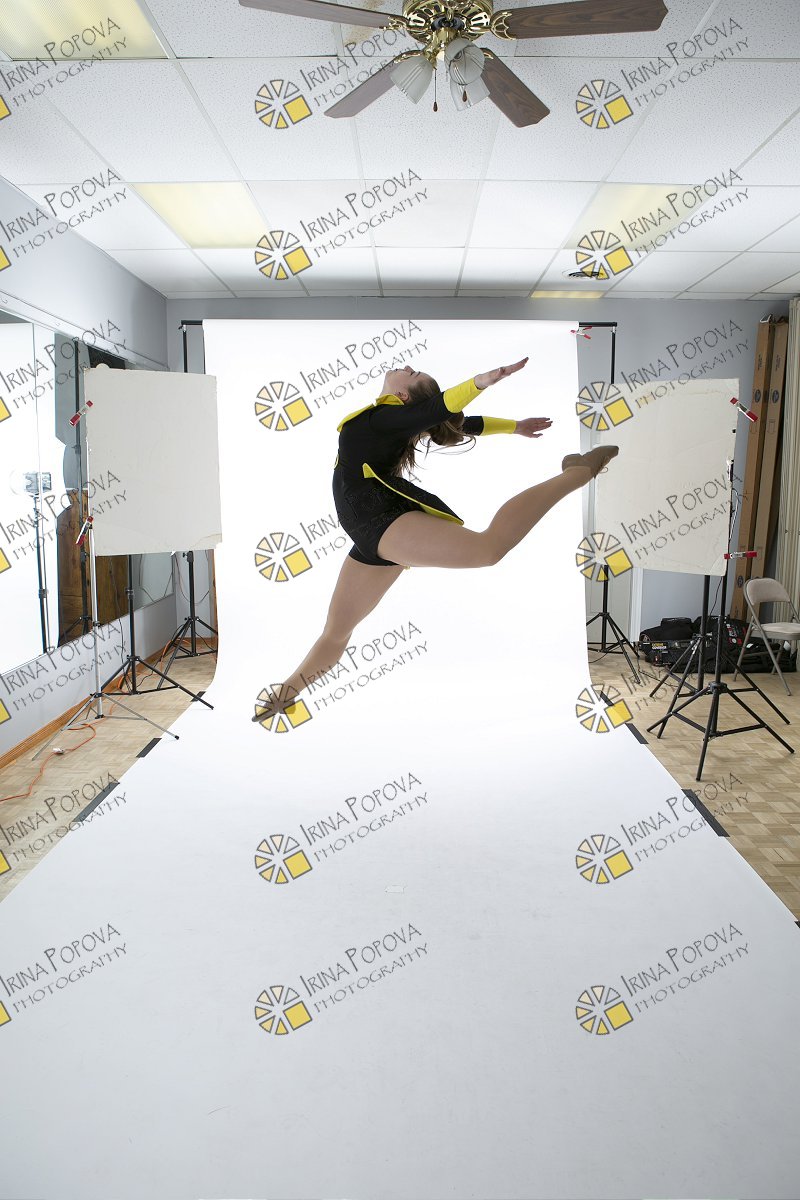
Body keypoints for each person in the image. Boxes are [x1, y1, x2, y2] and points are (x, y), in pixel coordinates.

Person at [253, 356, 617, 722]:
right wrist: (514, 426)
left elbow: (445, 411)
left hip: (383, 523)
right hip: (366, 537)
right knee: (336, 631)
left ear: (404, 396)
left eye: (413, 374)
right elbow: (461, 424)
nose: (407, 367)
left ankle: (576, 474)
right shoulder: (388, 420)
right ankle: (285, 696)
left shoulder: (385, 419)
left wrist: (481, 382)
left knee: (488, 549)